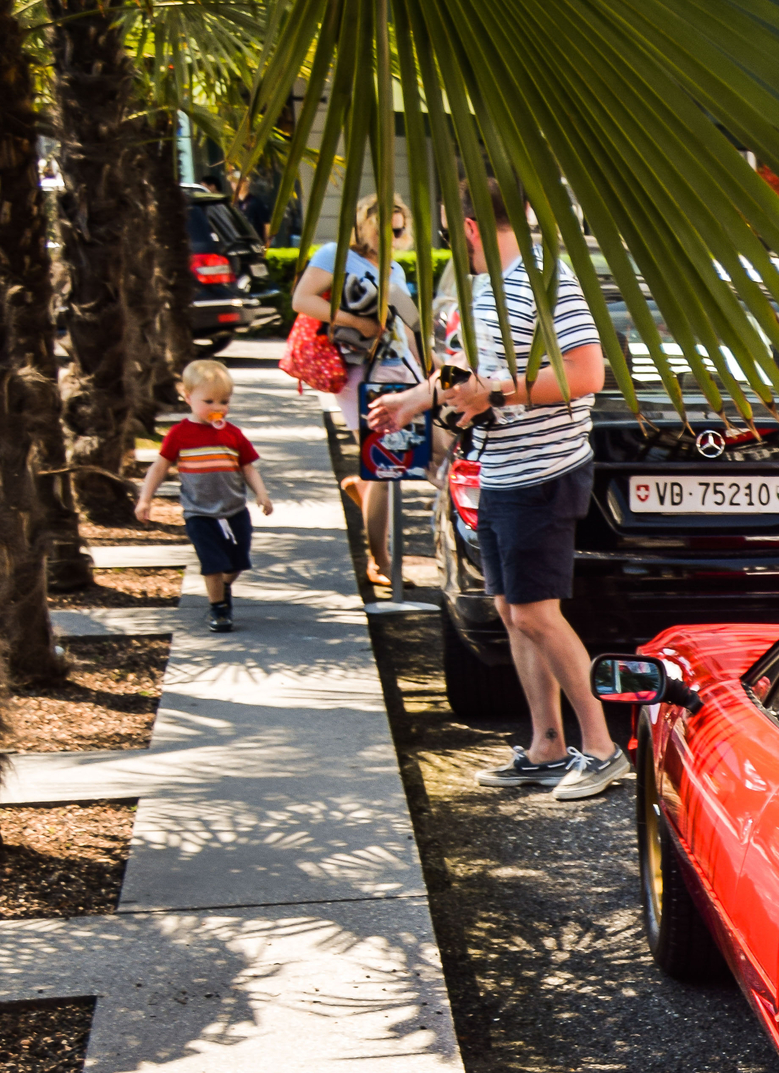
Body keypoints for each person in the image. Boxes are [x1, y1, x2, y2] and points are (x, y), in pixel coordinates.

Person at [369, 179, 624, 803]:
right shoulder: (484, 287)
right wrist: (409, 401)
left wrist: (498, 394)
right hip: (500, 468)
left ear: (473, 227)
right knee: (511, 611)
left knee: (536, 611)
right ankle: (546, 746)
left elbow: (588, 373)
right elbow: (464, 372)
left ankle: (602, 749)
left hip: (543, 469)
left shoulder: (548, 283)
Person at [292, 193, 420, 589]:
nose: (393, 234)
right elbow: (302, 299)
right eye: (385, 225)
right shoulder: (336, 255)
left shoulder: (394, 269)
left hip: (396, 369)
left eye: (399, 227)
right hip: (357, 370)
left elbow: (406, 328)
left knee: (386, 464)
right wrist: (357, 322)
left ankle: (361, 491)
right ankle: (379, 562)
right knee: (385, 468)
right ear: (365, 223)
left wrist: (425, 373)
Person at [132, 360, 275, 634]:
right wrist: (145, 498)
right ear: (188, 398)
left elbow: (248, 467)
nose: (217, 407)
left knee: (237, 562)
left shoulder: (233, 434)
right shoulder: (180, 434)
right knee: (212, 563)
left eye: (224, 401)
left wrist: (262, 493)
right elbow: (160, 467)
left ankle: (223, 587)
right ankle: (219, 608)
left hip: (234, 510)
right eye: (208, 401)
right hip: (199, 513)